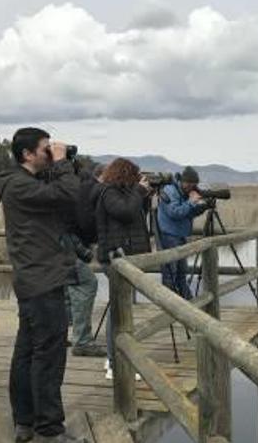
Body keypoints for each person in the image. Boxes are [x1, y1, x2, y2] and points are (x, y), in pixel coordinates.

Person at [0, 127, 85, 443]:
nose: (50, 152)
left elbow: (71, 196)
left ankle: (25, 422)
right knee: (48, 355)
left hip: (34, 278)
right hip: (41, 279)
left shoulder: (24, 182)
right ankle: (50, 428)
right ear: (28, 154)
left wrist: (65, 162)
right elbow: (68, 193)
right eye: (45, 148)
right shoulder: (19, 187)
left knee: (28, 351)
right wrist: (61, 163)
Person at [95, 158, 152, 380]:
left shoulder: (126, 194)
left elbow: (137, 216)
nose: (138, 180)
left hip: (127, 257)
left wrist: (145, 196)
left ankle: (119, 357)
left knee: (122, 308)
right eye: (135, 176)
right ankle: (114, 361)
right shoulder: (108, 193)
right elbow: (125, 212)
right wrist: (138, 191)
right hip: (116, 258)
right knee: (119, 311)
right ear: (126, 175)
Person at [65, 163, 106, 358]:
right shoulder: (88, 188)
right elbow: (76, 226)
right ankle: (81, 340)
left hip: (61, 249)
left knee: (66, 289)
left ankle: (65, 335)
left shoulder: (71, 188)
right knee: (86, 283)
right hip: (66, 249)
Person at [156, 166, 209, 299]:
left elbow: (187, 213)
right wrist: (191, 202)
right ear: (183, 181)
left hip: (180, 236)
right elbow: (174, 213)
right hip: (168, 236)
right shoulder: (169, 190)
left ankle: (186, 305)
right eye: (190, 184)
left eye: (194, 185)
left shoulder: (186, 192)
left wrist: (201, 207)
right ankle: (169, 306)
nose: (192, 187)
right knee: (170, 274)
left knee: (181, 273)